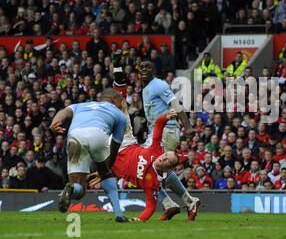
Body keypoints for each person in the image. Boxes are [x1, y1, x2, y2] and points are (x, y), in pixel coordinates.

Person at [113, 59, 199, 220]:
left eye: (148, 67)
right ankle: (184, 202)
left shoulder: (159, 85)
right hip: (157, 132)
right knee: (156, 172)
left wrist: (187, 126)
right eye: (142, 67)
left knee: (144, 170)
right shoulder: (146, 89)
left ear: (155, 72)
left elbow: (175, 104)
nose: (144, 69)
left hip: (166, 130)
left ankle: (176, 203)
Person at [50, 88, 128, 222]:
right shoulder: (120, 115)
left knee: (79, 189)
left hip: (75, 135)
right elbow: (115, 146)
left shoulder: (82, 105)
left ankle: (71, 187)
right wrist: (105, 169)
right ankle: (118, 214)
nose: (122, 104)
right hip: (98, 133)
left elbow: (64, 112)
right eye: (121, 100)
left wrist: (54, 123)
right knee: (106, 175)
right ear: (114, 99)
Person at [90, 110, 181, 222]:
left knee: (92, 140)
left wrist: (137, 219)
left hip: (110, 159)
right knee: (120, 109)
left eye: (168, 161)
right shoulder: (156, 149)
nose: (163, 158)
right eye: (166, 154)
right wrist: (165, 117)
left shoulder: (152, 183)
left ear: (169, 168)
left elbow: (150, 208)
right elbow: (158, 125)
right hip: (124, 144)